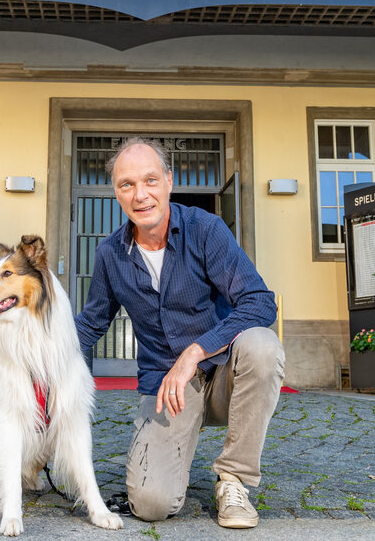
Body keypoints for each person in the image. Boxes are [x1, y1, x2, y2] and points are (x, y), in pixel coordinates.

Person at [75, 136, 285, 529]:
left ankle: (233, 479)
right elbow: (91, 323)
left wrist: (194, 353)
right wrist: (33, 343)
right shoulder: (110, 254)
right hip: (166, 388)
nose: (141, 195)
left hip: (224, 374)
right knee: (151, 504)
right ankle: (174, 458)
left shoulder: (205, 229)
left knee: (262, 345)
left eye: (150, 180)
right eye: (127, 185)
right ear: (116, 193)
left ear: (169, 181)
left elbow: (259, 302)